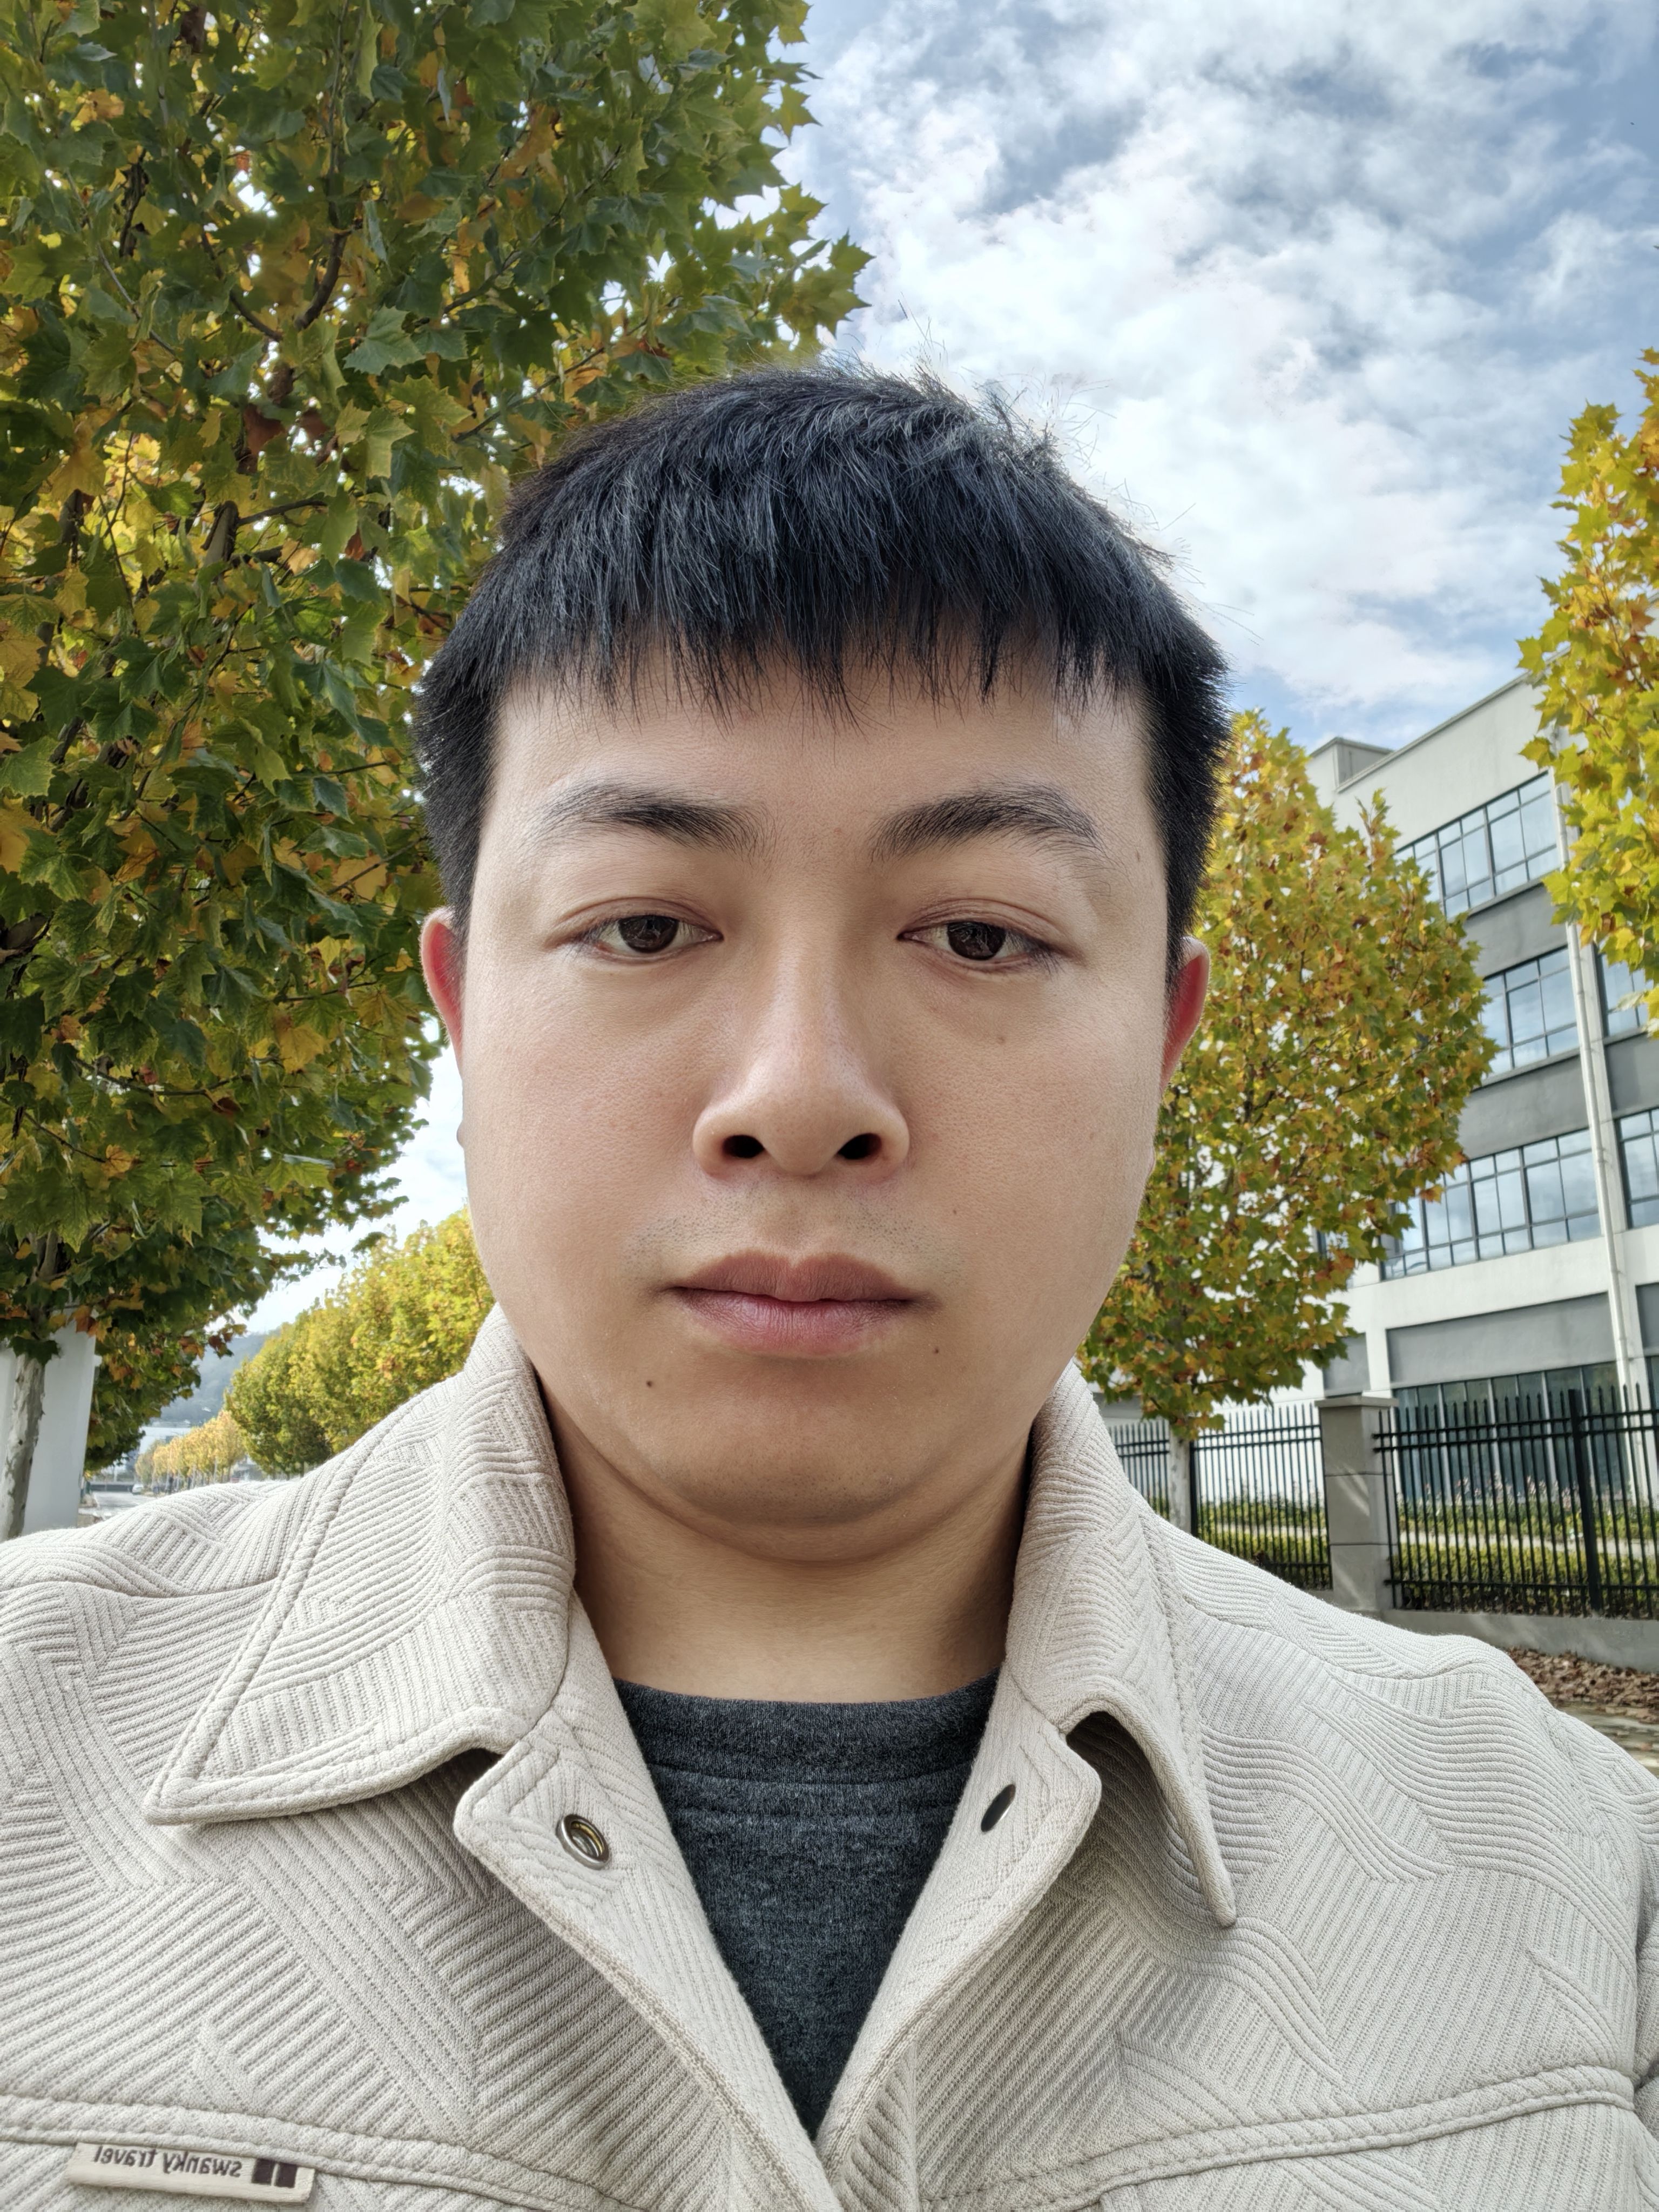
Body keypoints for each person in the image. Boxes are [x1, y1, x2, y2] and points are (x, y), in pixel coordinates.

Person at [2, 370, 1656, 2212]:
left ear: (1163, 1036)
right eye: (644, 925)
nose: (799, 1096)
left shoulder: (1578, 1881)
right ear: (463, 1013)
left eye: (981, 933)